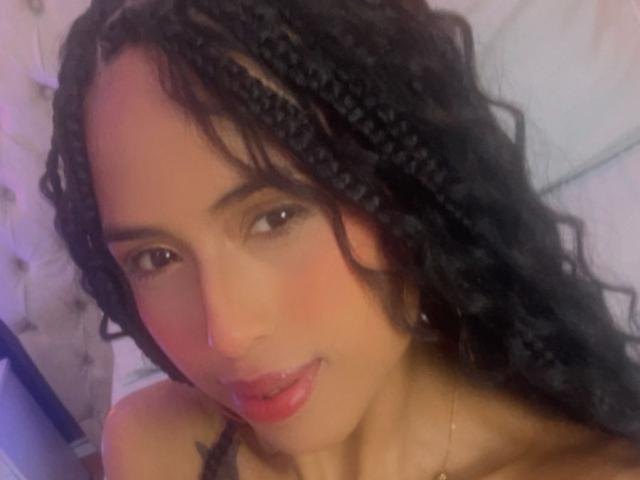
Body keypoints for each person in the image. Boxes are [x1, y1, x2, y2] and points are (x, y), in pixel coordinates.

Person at [39, 0, 640, 478]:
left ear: (402, 186)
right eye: (156, 257)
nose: (229, 333)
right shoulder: (153, 445)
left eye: (275, 217)